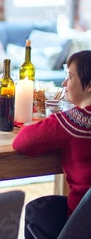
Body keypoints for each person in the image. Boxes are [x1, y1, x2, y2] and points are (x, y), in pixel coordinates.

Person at [12, 50, 91, 239]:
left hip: (82, 223)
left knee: (34, 211)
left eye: (70, 76)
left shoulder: (73, 122)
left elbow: (21, 142)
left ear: (89, 86)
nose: (64, 83)